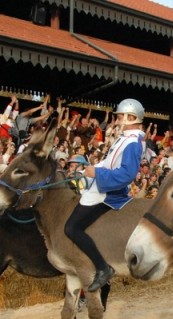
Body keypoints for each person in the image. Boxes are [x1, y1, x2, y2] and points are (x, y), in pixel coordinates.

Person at [64, 98, 146, 292]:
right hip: (101, 184)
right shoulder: (125, 138)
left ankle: (102, 268)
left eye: (119, 117)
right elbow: (110, 163)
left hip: (109, 193)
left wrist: (97, 173)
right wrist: (89, 169)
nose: (117, 120)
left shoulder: (133, 142)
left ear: (131, 117)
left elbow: (127, 174)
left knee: (71, 227)